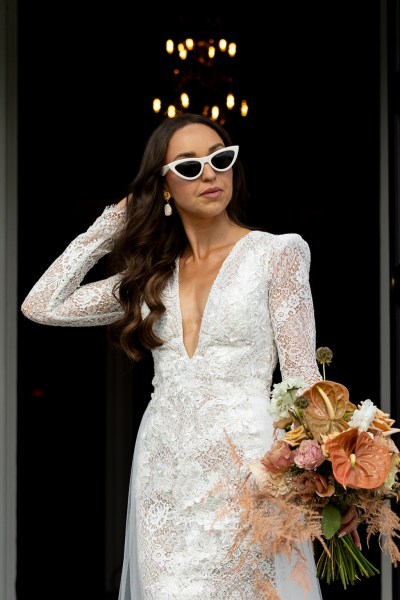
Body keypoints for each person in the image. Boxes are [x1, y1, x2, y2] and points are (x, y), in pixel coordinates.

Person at [21, 112, 358, 599]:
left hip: (253, 471)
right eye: (188, 166)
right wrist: (109, 225)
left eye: (220, 159)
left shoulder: (277, 254)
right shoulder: (148, 280)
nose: (209, 173)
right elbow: (41, 305)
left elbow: (306, 381)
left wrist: (340, 480)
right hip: (165, 475)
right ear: (161, 187)